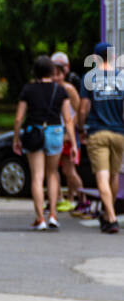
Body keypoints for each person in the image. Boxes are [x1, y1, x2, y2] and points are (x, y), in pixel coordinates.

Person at [13, 54, 77, 230]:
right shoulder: (60, 90)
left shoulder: (28, 89)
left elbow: (19, 118)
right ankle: (53, 216)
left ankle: (40, 218)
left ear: (35, 71)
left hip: (34, 132)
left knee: (37, 177)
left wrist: (16, 138)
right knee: (52, 174)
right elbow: (68, 119)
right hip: (55, 132)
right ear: (52, 71)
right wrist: (73, 143)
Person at [78, 41, 124, 234]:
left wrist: (81, 127)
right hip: (118, 133)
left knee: (102, 177)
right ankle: (107, 214)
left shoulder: (89, 77)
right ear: (113, 57)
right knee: (114, 176)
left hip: (98, 132)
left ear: (96, 58)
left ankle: (111, 218)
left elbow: (83, 108)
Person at [50, 52, 86, 214]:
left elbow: (79, 110)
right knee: (52, 169)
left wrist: (73, 129)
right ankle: (58, 199)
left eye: (58, 74)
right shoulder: (51, 89)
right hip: (55, 131)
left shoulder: (69, 89)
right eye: (53, 74)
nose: (55, 78)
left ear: (64, 74)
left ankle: (82, 199)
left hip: (67, 133)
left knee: (69, 170)